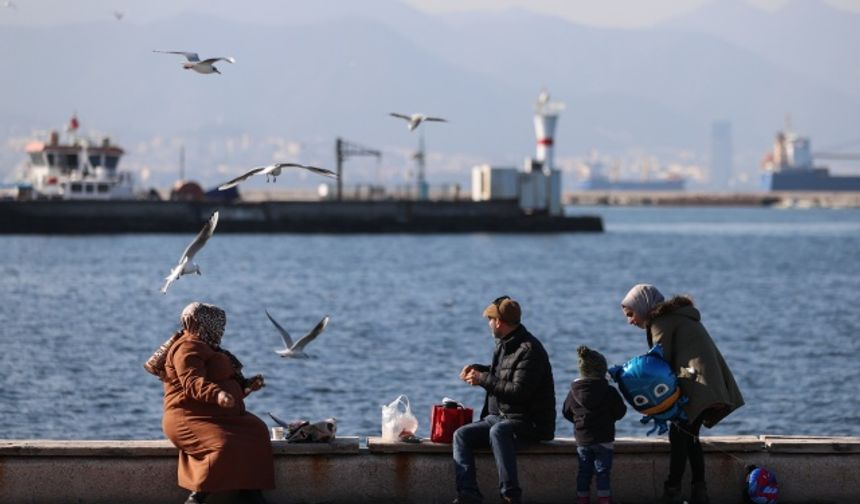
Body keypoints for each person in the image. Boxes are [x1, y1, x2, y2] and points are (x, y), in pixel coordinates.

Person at [621, 284, 744, 504]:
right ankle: (699, 491)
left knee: (679, 437)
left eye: (631, 314)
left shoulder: (661, 322)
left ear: (643, 306)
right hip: (707, 385)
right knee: (691, 439)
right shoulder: (680, 317)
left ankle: (673, 491)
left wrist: (629, 378)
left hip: (696, 387)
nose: (629, 321)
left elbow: (659, 364)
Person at [158, 302, 275, 504]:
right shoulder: (187, 348)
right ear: (202, 323)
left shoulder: (211, 348)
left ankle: (250, 491)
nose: (221, 329)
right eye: (217, 324)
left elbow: (228, 385)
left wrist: (247, 386)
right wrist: (218, 395)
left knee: (257, 431)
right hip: (189, 417)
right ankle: (198, 496)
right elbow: (192, 382)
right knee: (224, 444)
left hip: (220, 415)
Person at [452, 296, 556, 504]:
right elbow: (501, 375)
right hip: (498, 417)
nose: (488, 324)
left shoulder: (530, 350)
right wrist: (478, 370)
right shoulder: (504, 344)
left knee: (499, 431)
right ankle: (468, 495)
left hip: (528, 423)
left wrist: (483, 379)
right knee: (461, 435)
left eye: (489, 319)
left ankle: (510, 496)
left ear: (498, 321)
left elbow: (519, 392)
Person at [562, 345, 627, 504]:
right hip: (604, 439)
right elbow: (620, 411)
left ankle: (582, 499)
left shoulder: (574, 392)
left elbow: (566, 412)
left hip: (583, 440)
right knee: (602, 472)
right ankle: (604, 500)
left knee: (584, 472)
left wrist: (579, 423)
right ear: (601, 370)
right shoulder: (609, 391)